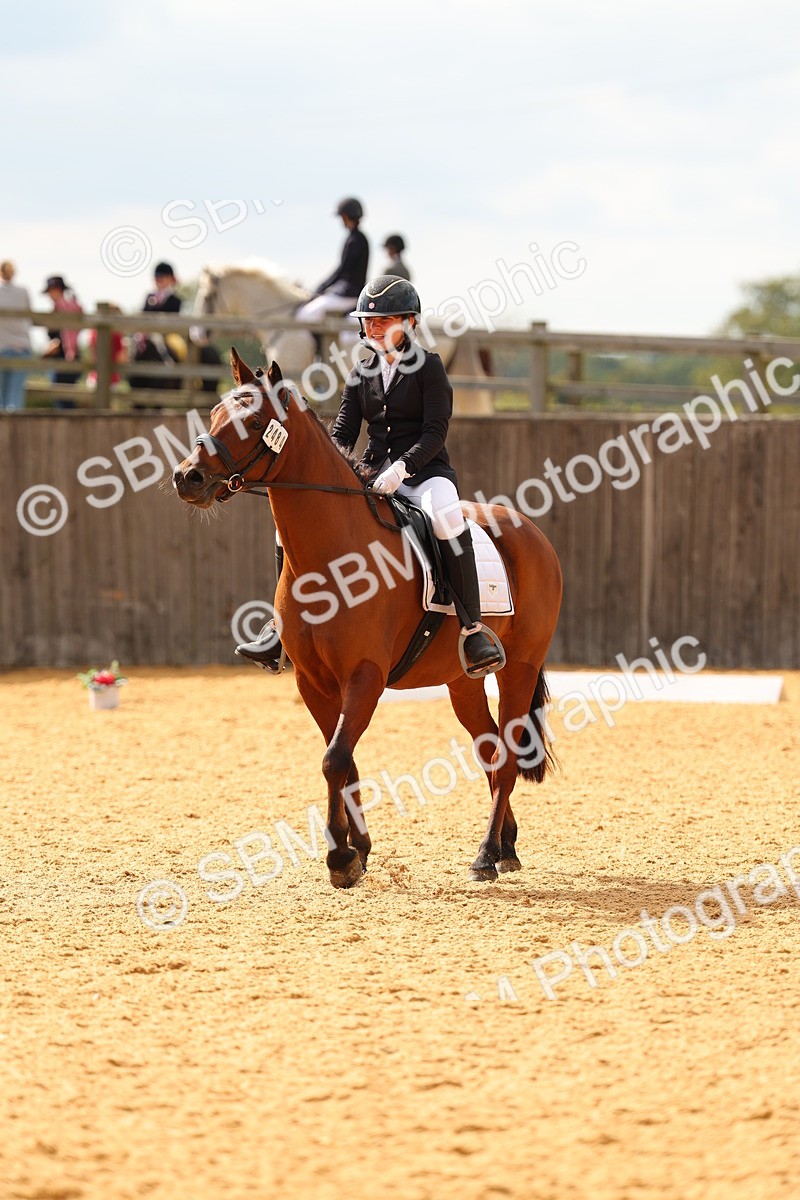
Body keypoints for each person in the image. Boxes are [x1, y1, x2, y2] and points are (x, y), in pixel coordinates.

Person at [236, 274, 505, 677]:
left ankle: (472, 628)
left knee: (447, 513)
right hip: (372, 474)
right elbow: (343, 433)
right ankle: (281, 628)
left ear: (410, 323)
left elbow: (435, 433)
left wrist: (403, 469)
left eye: (383, 321)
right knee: (285, 528)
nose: (373, 328)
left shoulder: (430, 368)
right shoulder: (360, 371)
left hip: (424, 473)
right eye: (369, 321)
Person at [296, 198, 369, 324]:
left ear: (345, 216)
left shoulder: (355, 240)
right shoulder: (359, 238)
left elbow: (342, 270)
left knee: (305, 315)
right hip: (349, 292)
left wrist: (322, 287)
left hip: (349, 294)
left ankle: (321, 344)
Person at [42, 275, 83, 407]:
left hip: (65, 359)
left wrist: (57, 345)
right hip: (63, 359)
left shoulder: (64, 308)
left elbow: (66, 337)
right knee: (63, 398)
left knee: (63, 399)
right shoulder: (68, 307)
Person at [0, 261, 32, 411]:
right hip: (21, 347)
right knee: (16, 397)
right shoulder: (23, 291)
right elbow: (29, 316)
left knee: (1, 397)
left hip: (1, 347)